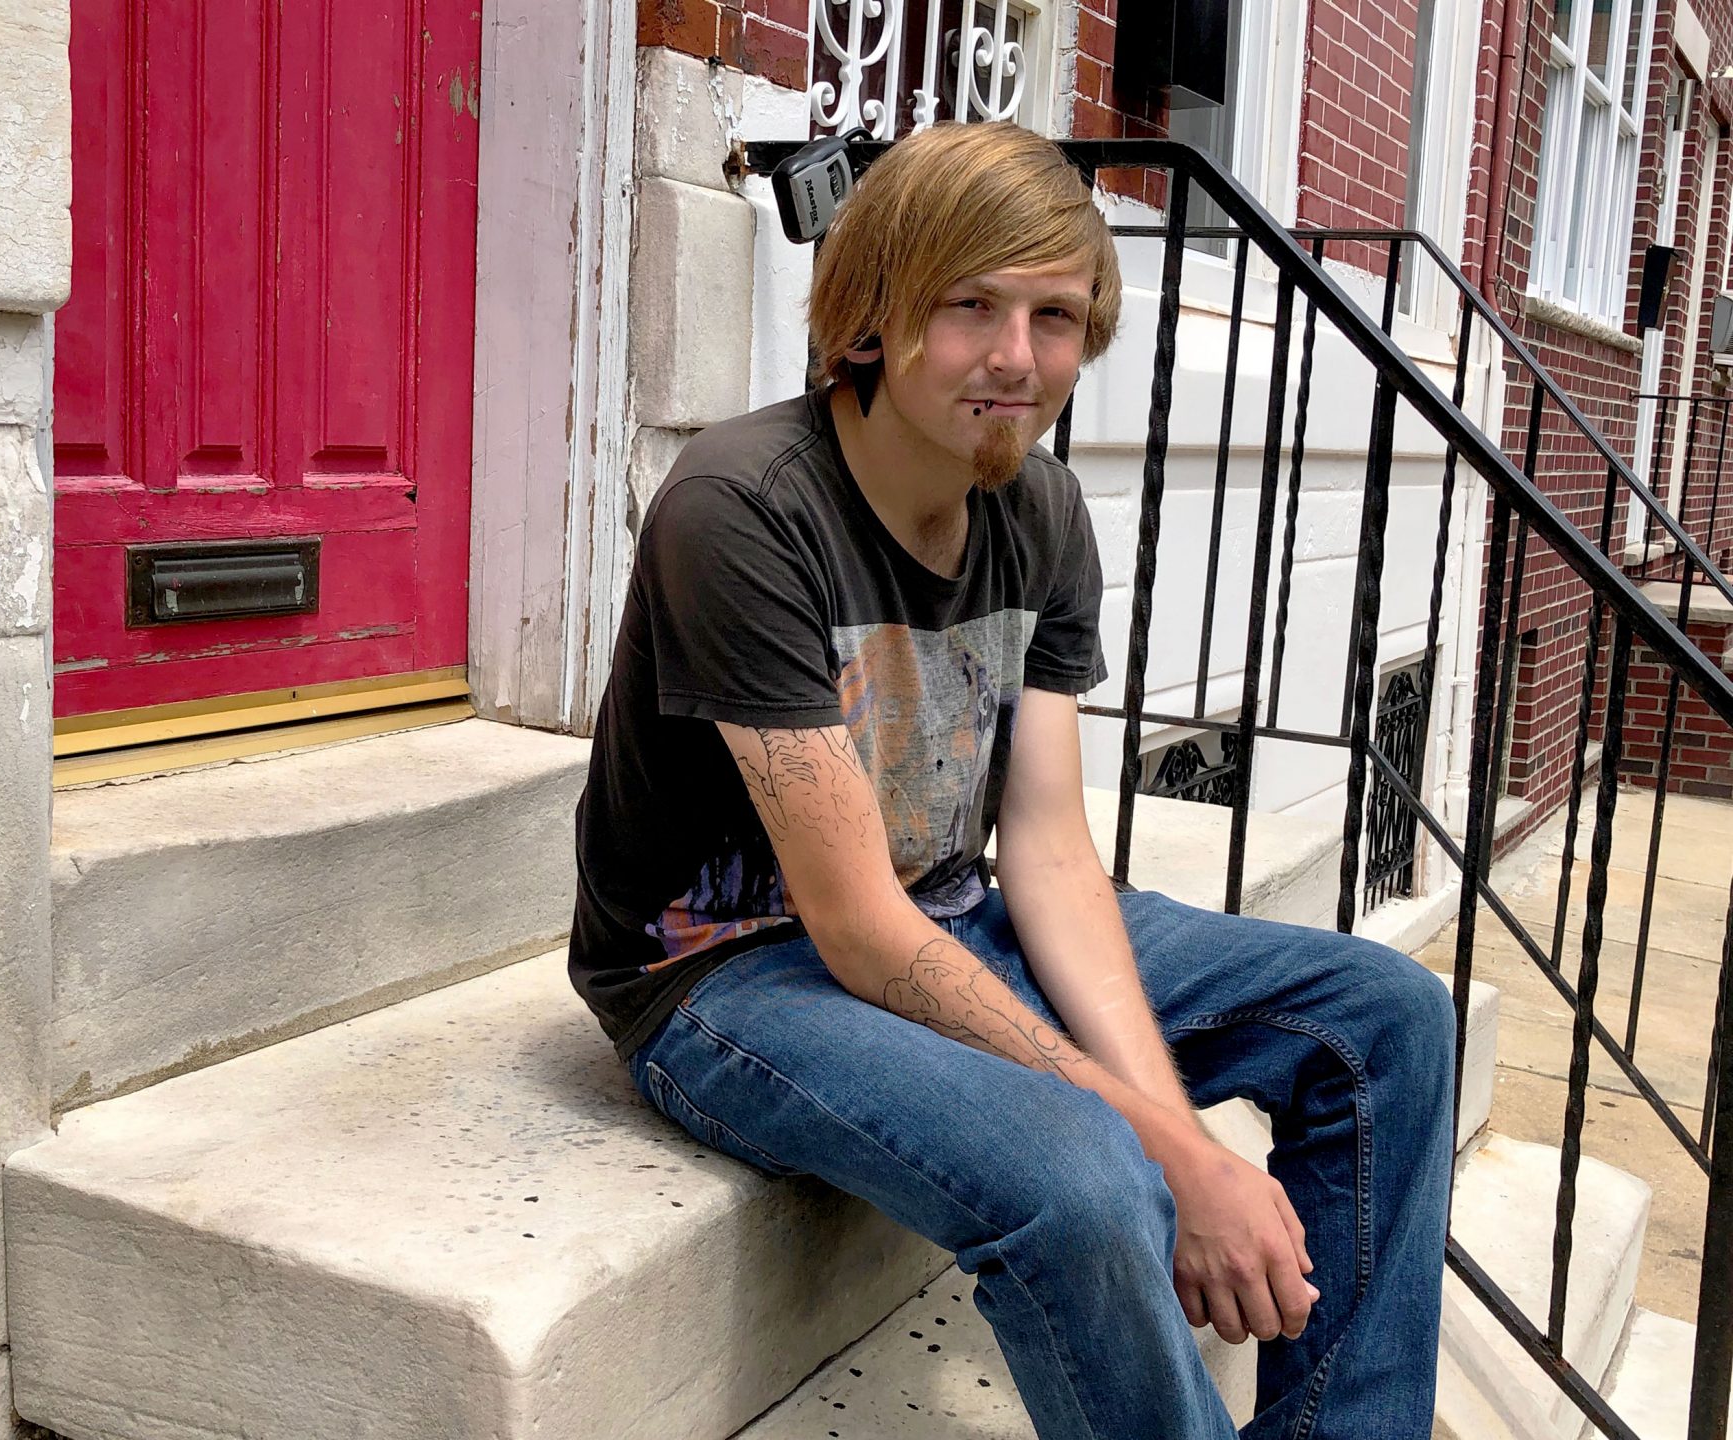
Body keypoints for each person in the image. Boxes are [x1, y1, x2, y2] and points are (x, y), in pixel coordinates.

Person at [569, 120, 1455, 1439]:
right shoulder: (741, 508)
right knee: (1087, 1178)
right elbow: (860, 931)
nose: (1015, 360)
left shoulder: (1040, 513)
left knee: (1386, 1014)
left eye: (1054, 315)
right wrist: (1171, 1150)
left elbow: (1046, 850)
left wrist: (1178, 1125)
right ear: (871, 314)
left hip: (953, 912)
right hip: (727, 974)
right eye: (967, 307)